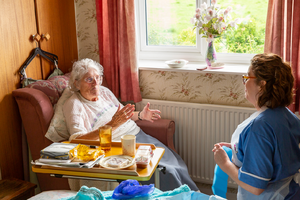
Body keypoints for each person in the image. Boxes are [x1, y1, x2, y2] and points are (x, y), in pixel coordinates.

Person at [62, 58, 198, 192]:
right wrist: (112, 125)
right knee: (166, 171)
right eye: (89, 79)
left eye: (98, 78)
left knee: (175, 163)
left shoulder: (105, 92)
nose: (95, 83)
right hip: (117, 146)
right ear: (77, 83)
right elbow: (76, 140)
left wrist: (141, 116)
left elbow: (123, 115)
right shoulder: (74, 105)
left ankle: (190, 196)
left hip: (137, 135)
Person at [212, 53, 300, 199]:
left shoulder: (259, 128)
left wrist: (225, 164)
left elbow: (255, 187)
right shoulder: (288, 116)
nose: (244, 82)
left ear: (262, 84)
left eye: (247, 77)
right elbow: (277, 154)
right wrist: (240, 148)